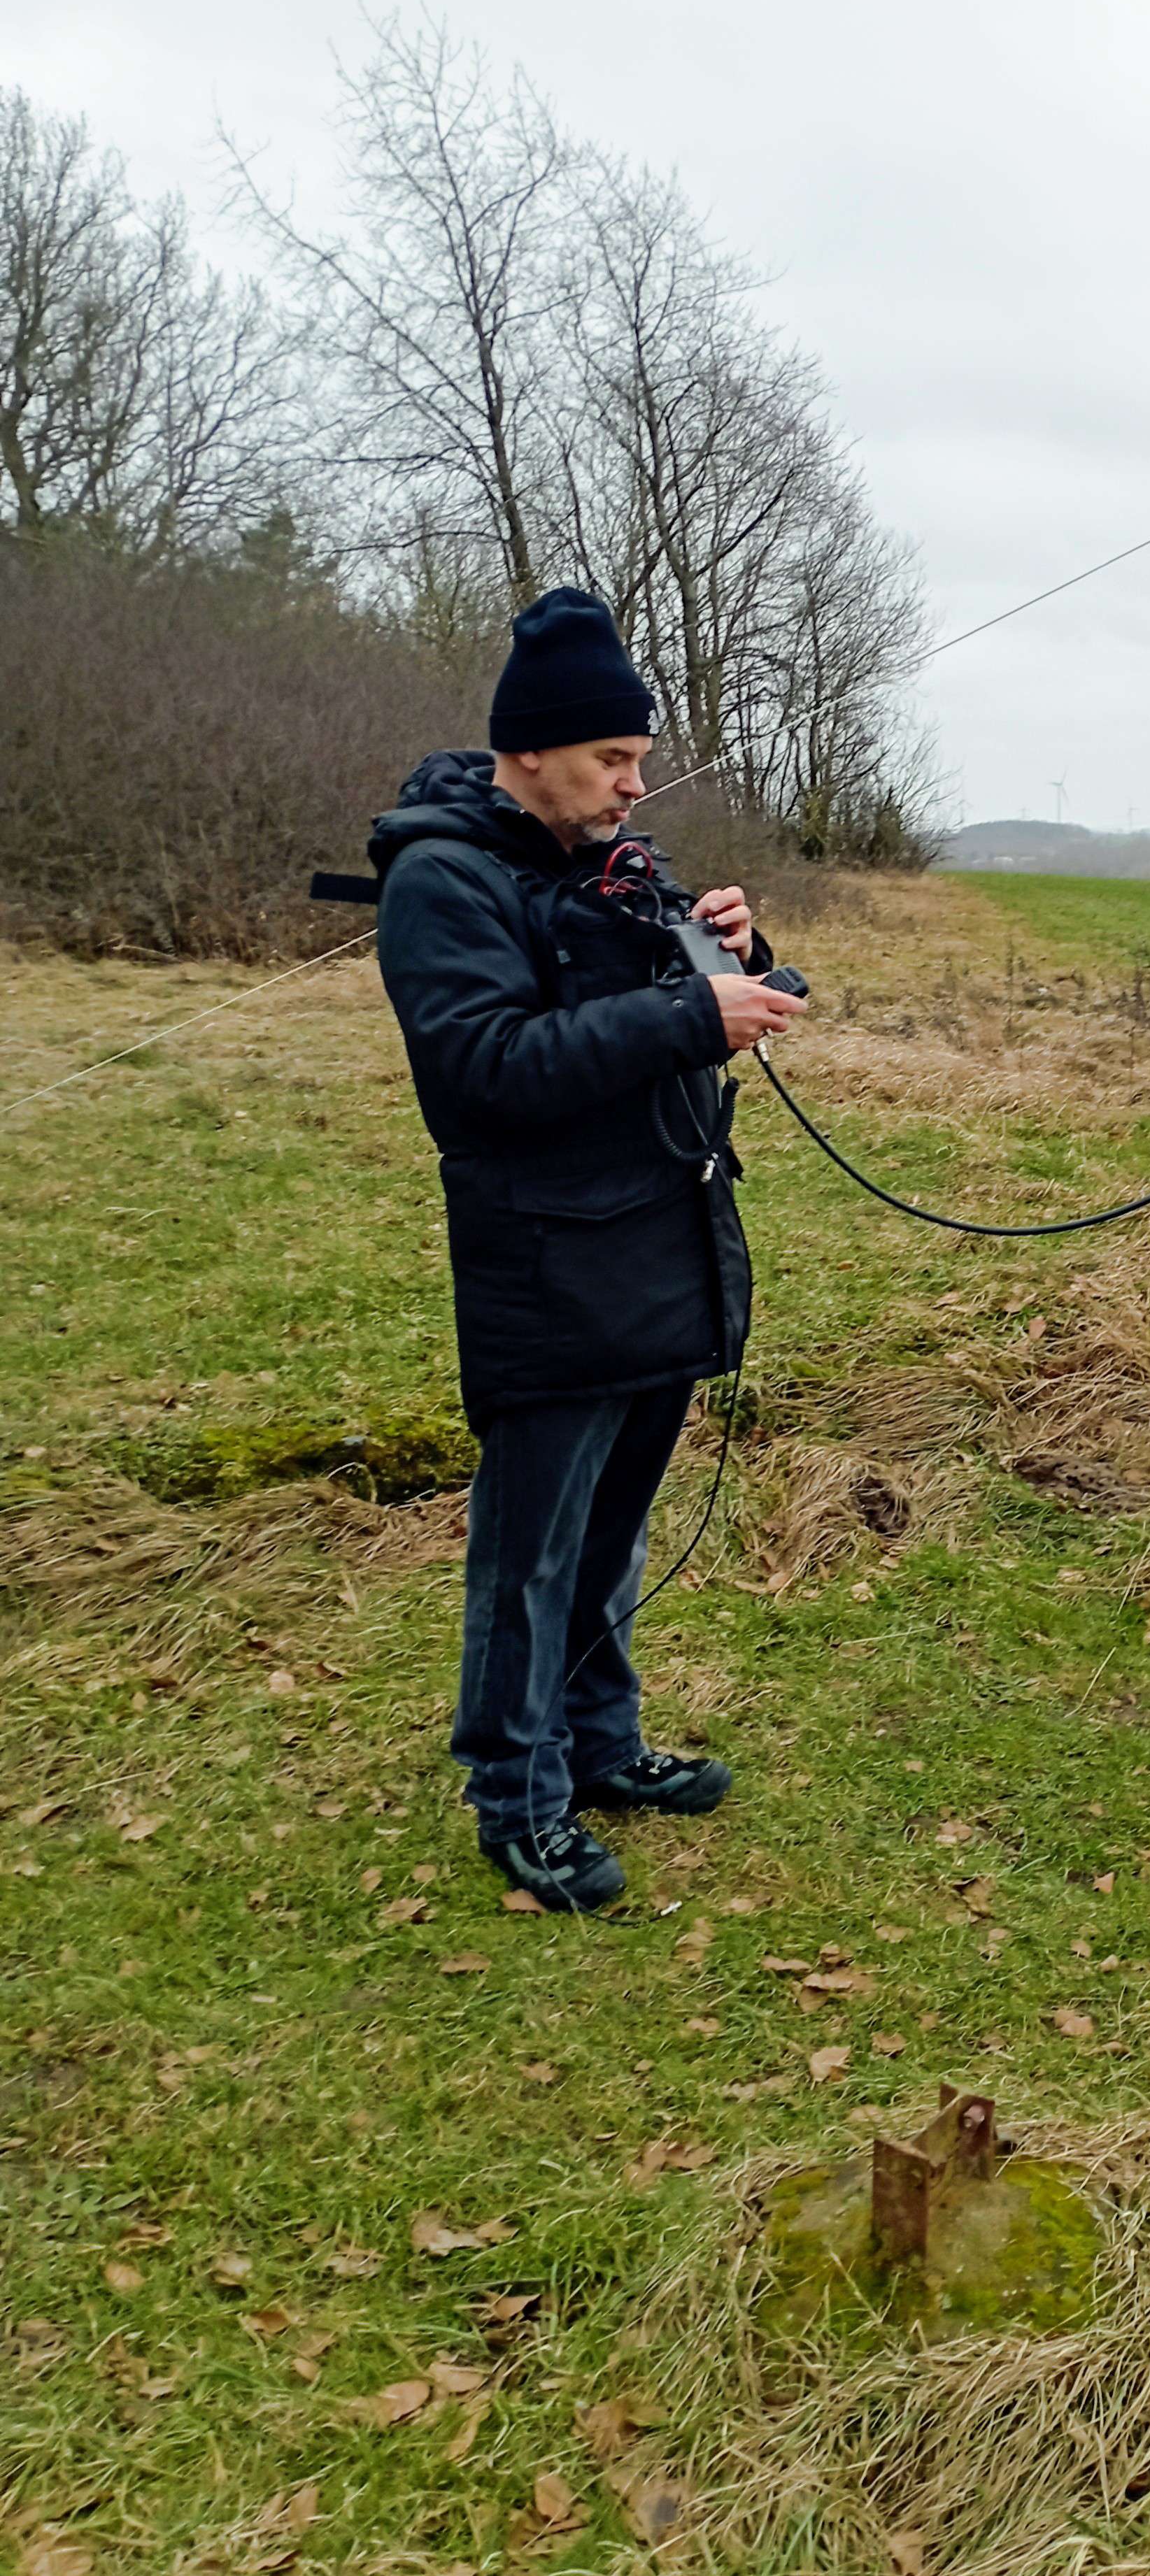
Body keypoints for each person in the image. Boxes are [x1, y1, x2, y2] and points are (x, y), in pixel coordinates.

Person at [370, 586, 806, 1912]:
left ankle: (604, 1748)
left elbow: (717, 1005)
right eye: (614, 758)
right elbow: (483, 1069)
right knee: (531, 1559)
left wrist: (740, 954)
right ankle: (518, 1799)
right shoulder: (443, 878)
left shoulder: (615, 863)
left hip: (659, 1244)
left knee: (613, 1533)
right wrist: (686, 1018)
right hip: (546, 1269)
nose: (635, 783)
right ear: (532, 750)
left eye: (639, 758)